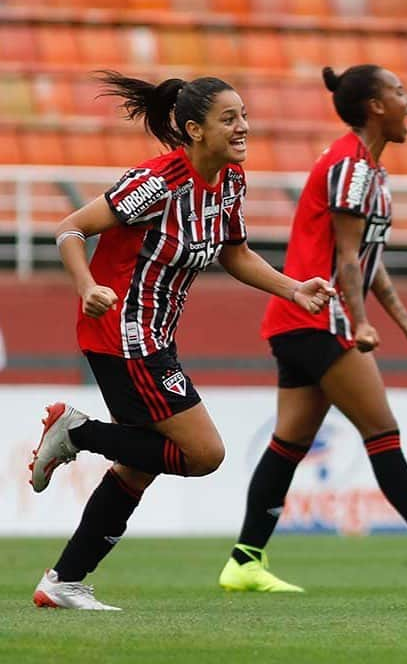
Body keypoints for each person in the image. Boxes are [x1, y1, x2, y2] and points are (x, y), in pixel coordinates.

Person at [28, 71, 334, 611]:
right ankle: (78, 432)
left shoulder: (231, 181)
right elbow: (71, 229)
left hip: (153, 337)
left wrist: (293, 288)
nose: (244, 127)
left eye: (244, 116)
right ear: (194, 130)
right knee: (203, 453)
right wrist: (87, 284)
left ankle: (64, 582)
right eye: (229, 119)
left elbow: (234, 253)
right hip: (122, 334)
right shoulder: (158, 182)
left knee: (142, 464)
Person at [218, 64, 407, 593]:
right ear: (375, 106)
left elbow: (367, 259)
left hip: (299, 319)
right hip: (320, 316)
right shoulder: (352, 168)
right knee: (382, 432)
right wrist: (362, 322)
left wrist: (403, 318)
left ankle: (244, 560)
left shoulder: (366, 170)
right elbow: (347, 259)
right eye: (399, 91)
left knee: (289, 441)